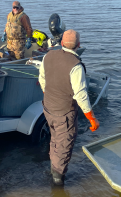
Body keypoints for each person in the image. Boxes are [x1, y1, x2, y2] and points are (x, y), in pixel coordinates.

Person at [38, 29, 100, 186]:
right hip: (64, 113)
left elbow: (42, 80)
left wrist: (51, 96)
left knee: (55, 139)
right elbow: (81, 96)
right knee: (64, 145)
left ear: (62, 43)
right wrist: (92, 119)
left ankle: (53, 168)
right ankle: (57, 184)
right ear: (78, 45)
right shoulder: (76, 66)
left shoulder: (48, 56)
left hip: (48, 109)